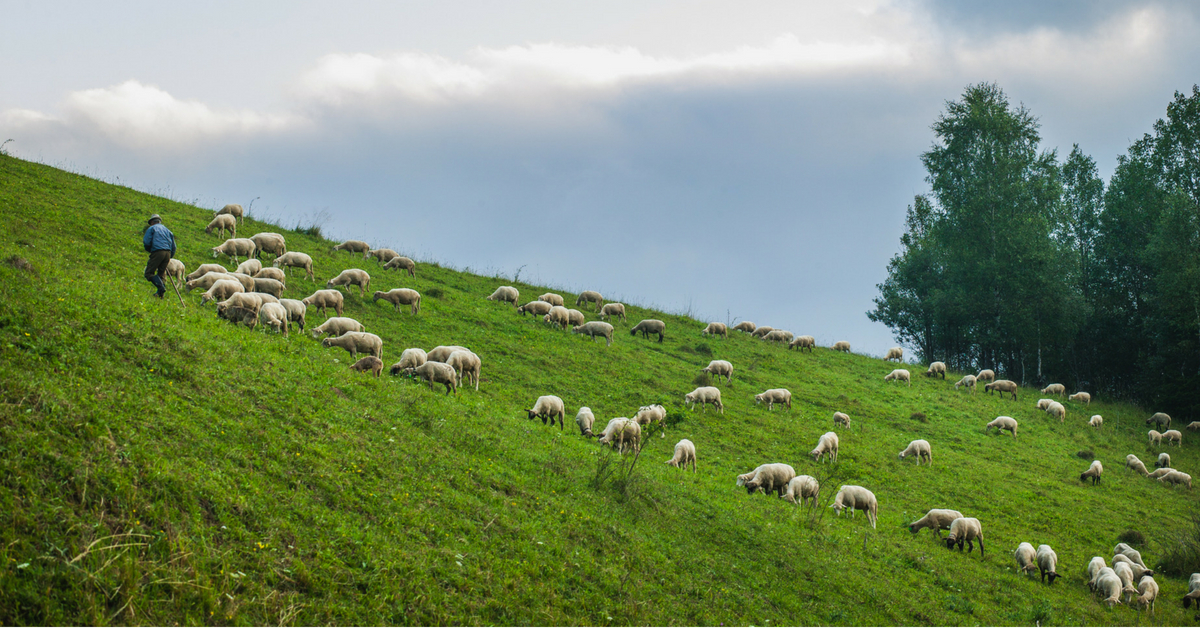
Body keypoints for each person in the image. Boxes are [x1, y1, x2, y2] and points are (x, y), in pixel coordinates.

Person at [142, 214, 176, 298]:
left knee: (149, 273)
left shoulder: (152, 228)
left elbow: (146, 241)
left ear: (152, 222)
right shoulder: (168, 231)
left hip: (158, 251)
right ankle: (160, 295)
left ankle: (161, 287)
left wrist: (150, 250)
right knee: (161, 274)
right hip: (167, 252)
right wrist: (170, 256)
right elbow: (173, 246)